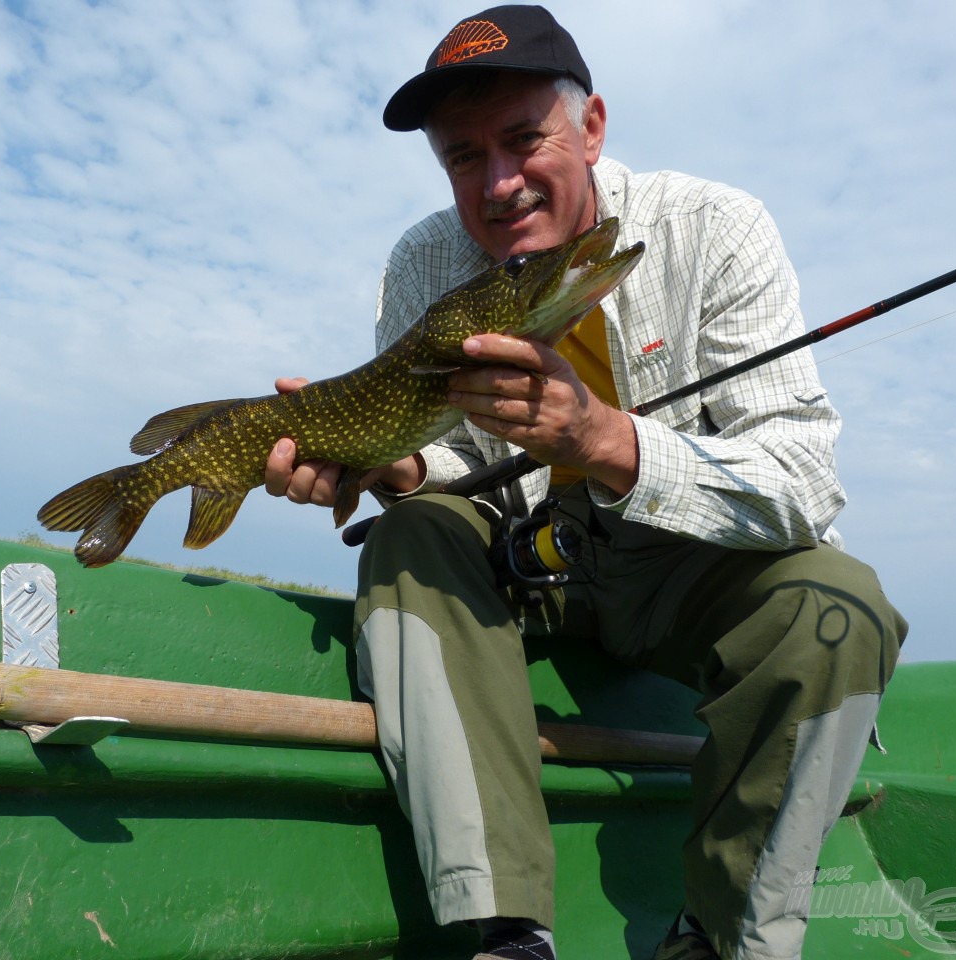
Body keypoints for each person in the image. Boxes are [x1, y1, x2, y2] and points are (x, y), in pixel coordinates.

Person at [265, 6, 906, 959]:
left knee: (839, 608)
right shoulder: (422, 261)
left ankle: (728, 935)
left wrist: (606, 439)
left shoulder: (717, 228)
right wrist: (399, 464)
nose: (498, 183)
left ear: (592, 125)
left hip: (684, 574)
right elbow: (459, 465)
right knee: (411, 528)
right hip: (528, 571)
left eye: (525, 140)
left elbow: (802, 484)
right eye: (462, 157)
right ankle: (501, 929)